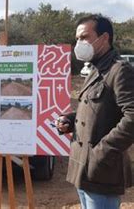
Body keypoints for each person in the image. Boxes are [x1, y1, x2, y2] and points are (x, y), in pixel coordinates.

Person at [56, 15, 134, 209]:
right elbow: (96, 109)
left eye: (84, 37)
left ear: (104, 38)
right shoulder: (96, 69)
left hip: (102, 172)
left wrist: (101, 152)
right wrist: (70, 119)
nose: (79, 43)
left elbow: (132, 116)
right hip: (83, 169)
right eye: (77, 39)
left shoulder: (119, 70)